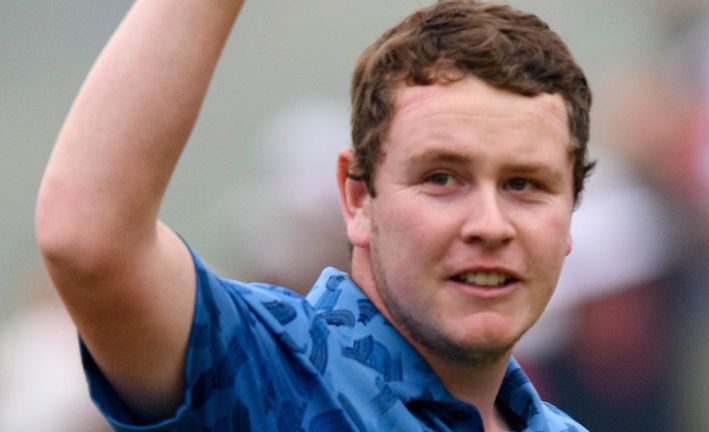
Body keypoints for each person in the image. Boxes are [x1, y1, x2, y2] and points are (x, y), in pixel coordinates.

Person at [35, 0, 594, 430]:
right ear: (356, 198)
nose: (490, 225)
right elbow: (90, 240)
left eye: (525, 185)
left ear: (571, 213)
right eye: (441, 178)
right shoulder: (272, 370)